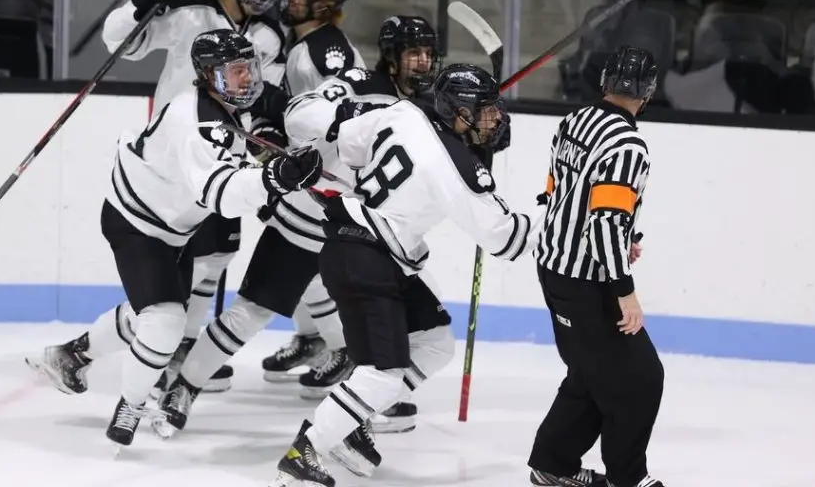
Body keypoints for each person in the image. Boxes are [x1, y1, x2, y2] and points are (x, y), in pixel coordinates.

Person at [150, 14, 443, 439]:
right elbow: (299, 113)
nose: (421, 62)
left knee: (385, 320)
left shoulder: (427, 106)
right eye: (412, 53)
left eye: (428, 53)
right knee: (250, 313)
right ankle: (184, 387)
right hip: (310, 216)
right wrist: (349, 120)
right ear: (392, 58)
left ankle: (377, 396)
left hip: (369, 231)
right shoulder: (360, 82)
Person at [27, 29, 323, 449]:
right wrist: (274, 178)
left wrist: (270, 143)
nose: (247, 79)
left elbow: (257, 120)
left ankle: (72, 354)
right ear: (207, 76)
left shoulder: (225, 104)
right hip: (139, 224)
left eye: (250, 68)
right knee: (165, 322)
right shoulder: (195, 119)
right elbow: (220, 194)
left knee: (153, 312)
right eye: (234, 71)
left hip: (172, 229)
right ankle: (129, 407)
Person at [269, 63, 537, 486]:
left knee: (434, 343)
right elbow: (507, 239)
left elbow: (350, 147)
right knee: (382, 374)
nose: (495, 118)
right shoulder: (455, 166)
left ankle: (350, 417)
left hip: (365, 252)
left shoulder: (402, 112)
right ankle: (305, 452)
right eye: (485, 109)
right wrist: (562, 223)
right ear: (459, 111)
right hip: (366, 260)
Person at [93, 0, 288, 395]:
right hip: (176, 167)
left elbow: (263, 99)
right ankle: (152, 346)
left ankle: (177, 344)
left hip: (226, 166)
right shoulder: (189, 15)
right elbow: (122, 42)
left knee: (216, 256)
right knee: (179, 265)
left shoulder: (267, 36)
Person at [528, 45, 664, 487]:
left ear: (604, 82)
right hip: (588, 283)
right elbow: (604, 219)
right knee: (640, 378)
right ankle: (628, 479)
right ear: (647, 93)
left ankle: (553, 464)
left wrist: (624, 238)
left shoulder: (573, 123)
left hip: (553, 267)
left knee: (590, 372)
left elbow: (559, 191)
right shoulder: (628, 145)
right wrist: (625, 290)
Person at [252, 0, 366, 393]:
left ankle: (349, 351)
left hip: (327, 179)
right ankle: (313, 339)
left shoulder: (325, 49)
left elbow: (337, 117)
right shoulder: (303, 43)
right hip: (305, 173)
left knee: (310, 264)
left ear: (322, 4)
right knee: (308, 265)